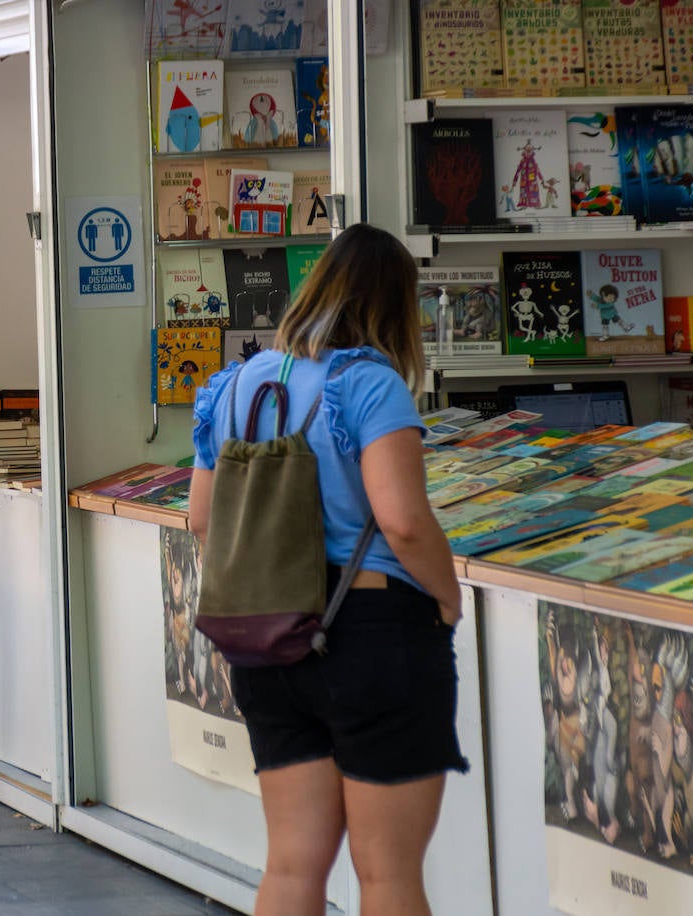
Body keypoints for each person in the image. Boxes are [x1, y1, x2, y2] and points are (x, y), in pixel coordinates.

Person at [187, 223, 467, 916]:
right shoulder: (370, 385)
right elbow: (401, 519)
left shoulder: (233, 385)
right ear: (393, 306)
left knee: (290, 866)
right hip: (374, 633)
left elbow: (200, 518)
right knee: (388, 874)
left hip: (268, 637)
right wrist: (446, 596)